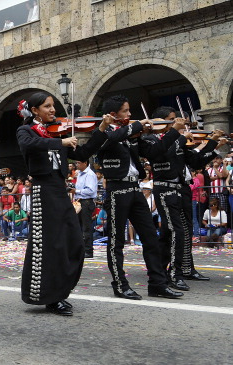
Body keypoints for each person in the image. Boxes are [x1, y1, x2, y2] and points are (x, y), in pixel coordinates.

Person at [15, 91, 109, 316]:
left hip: (58, 190)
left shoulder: (55, 132)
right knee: (49, 245)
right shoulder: (26, 131)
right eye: (47, 106)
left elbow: (84, 152)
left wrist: (102, 128)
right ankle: (50, 296)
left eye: (53, 106)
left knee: (73, 241)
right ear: (35, 110)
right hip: (42, 191)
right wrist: (59, 142)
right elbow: (29, 146)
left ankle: (60, 290)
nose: (53, 110)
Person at [95, 95, 182, 301]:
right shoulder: (103, 133)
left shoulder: (132, 134)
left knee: (151, 237)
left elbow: (156, 154)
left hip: (135, 188)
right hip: (117, 190)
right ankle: (120, 284)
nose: (130, 114)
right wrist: (135, 128)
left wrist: (172, 132)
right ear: (114, 114)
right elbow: (111, 140)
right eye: (126, 111)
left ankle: (157, 284)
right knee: (116, 241)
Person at [140, 106, 221, 289]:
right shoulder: (150, 138)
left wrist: (212, 143)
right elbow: (160, 154)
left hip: (180, 190)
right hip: (165, 189)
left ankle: (166, 270)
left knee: (174, 232)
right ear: (161, 121)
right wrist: (179, 135)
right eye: (172, 118)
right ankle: (174, 273)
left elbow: (195, 161)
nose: (177, 121)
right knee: (176, 231)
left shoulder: (177, 138)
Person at [71, 159, 97, 258]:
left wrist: (76, 191)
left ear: (85, 163)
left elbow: (90, 190)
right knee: (78, 226)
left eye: (78, 162)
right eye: (76, 163)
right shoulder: (80, 174)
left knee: (86, 227)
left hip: (86, 201)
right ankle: (80, 248)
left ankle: (88, 250)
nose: (77, 165)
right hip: (79, 201)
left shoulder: (90, 174)